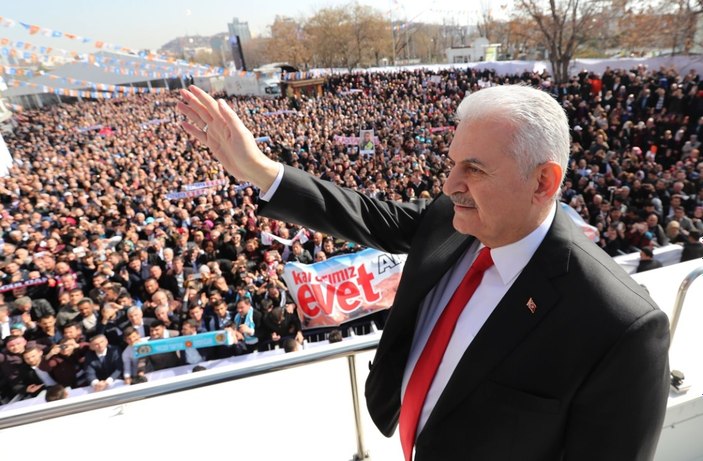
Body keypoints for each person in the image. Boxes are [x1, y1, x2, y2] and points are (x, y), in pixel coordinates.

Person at [179, 84, 670, 460]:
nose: (450, 184)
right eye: (452, 163)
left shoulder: (618, 325)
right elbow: (367, 214)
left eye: (474, 170)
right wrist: (262, 170)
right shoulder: (450, 219)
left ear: (544, 180)